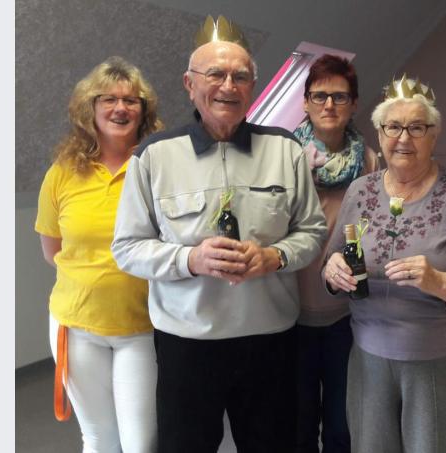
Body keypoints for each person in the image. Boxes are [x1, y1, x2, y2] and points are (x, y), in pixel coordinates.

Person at [110, 15, 327, 453]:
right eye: (216, 74)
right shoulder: (154, 155)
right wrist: (190, 260)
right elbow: (127, 248)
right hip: (188, 345)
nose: (229, 85)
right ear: (190, 84)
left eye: (241, 76)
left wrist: (276, 257)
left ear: (252, 86)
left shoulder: (285, 150)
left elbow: (312, 231)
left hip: (269, 341)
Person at [321, 75, 446, 453]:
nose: (403, 138)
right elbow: (333, 257)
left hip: (443, 362)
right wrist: (332, 270)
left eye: (417, 128)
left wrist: (443, 283)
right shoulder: (361, 191)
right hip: (369, 360)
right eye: (393, 126)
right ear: (379, 133)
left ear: (434, 135)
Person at [35, 56, 164, 453]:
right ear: (89, 107)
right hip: (76, 327)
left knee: (140, 442)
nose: (120, 108)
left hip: (141, 327)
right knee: (99, 438)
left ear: (144, 111)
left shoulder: (158, 166)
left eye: (132, 100)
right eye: (108, 98)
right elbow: (53, 250)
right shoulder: (64, 171)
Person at [292, 54, 380, 453]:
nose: (329, 105)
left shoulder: (371, 161)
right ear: (306, 102)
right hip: (290, 312)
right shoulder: (284, 157)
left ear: (355, 105)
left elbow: (373, 231)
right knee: (297, 422)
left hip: (347, 315)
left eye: (340, 97)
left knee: (343, 425)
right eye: (320, 95)